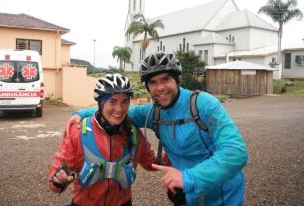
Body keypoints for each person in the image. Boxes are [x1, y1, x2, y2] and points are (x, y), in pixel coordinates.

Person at [66, 53, 248, 206]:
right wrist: (81, 113)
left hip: (222, 193)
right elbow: (118, 112)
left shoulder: (204, 104)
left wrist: (188, 178)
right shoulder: (154, 113)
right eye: (153, 82)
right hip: (187, 193)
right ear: (147, 87)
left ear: (176, 79)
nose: (160, 88)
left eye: (166, 79)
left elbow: (236, 153)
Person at [48, 73, 160, 206]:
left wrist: (174, 148)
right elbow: (56, 174)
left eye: (125, 101)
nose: (119, 109)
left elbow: (153, 163)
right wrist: (58, 180)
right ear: (101, 103)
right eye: (112, 101)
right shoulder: (77, 131)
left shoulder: (134, 133)